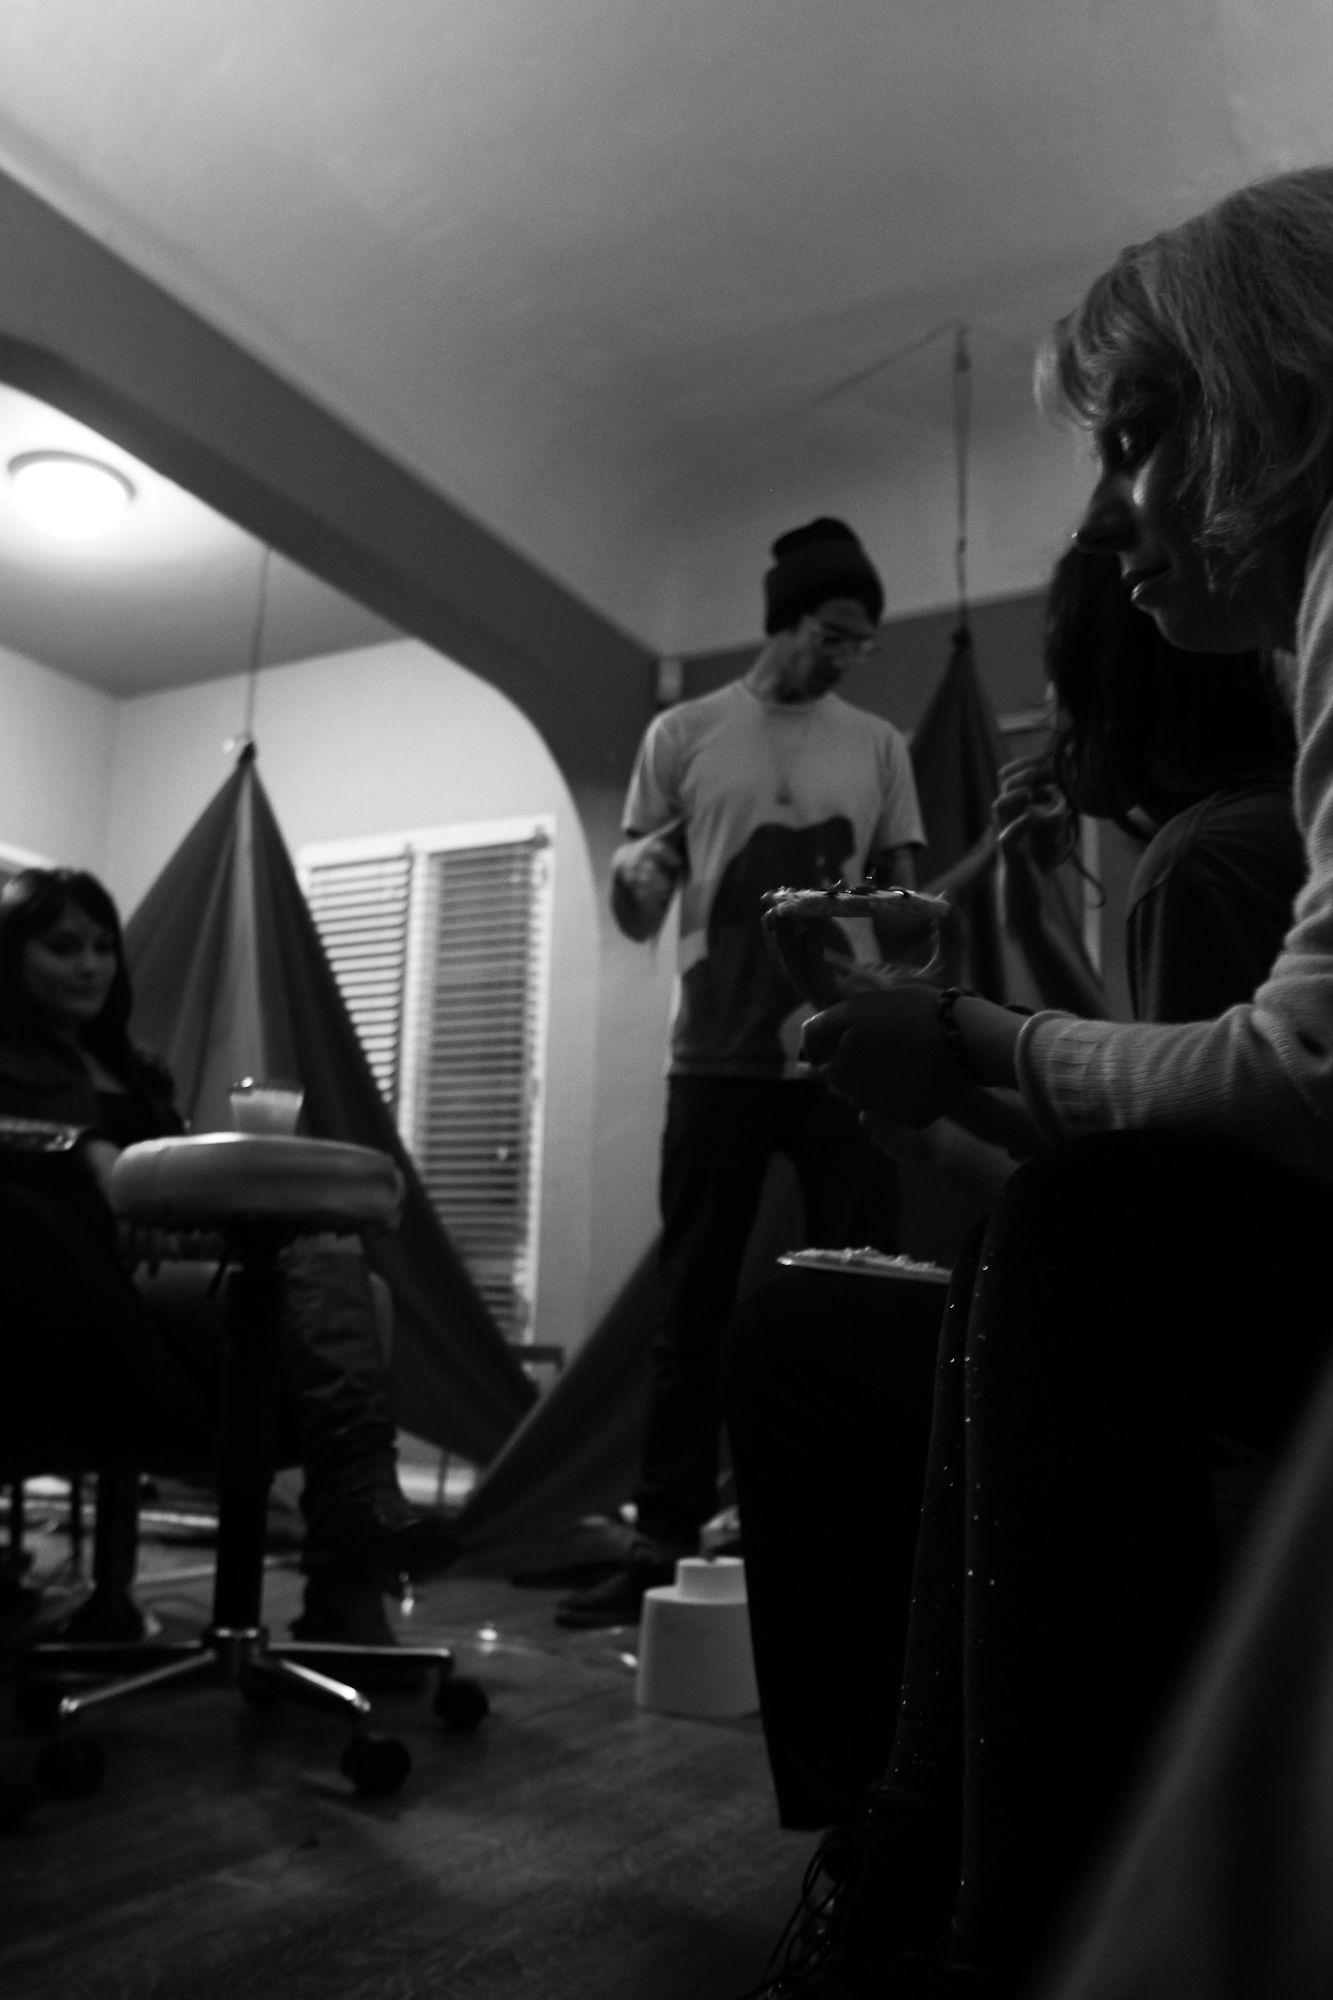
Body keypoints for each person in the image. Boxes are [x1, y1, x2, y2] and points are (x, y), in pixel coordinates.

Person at [742, 158, 1333, 1982]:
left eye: (1141, 437)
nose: (1119, 516)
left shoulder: (1205, 849)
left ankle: (931, 1873)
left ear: (1289, 394)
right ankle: (912, 1855)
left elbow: (1273, 1102)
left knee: (1013, 1260)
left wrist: (970, 1054)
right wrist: (971, 1082)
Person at [724, 544, 1302, 1853]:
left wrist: (957, 1075)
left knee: (791, 1340)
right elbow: (1145, 1185)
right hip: (1206, 1330)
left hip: (1224, 1386)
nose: (1044, 725)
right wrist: (943, 1122)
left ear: (1123, 689)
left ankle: (894, 1841)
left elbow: (1174, 1243)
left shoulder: (1206, 860)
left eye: (1067, 688)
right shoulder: (1242, 835)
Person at [557, 518, 925, 1630]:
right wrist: (637, 867)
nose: (845, 656)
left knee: (870, 1293)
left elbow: (907, 917)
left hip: (838, 1055)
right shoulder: (683, 732)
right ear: (785, 619)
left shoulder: (877, 745)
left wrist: (894, 917)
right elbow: (635, 908)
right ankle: (661, 1542)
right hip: (712, 1054)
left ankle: (869, 1536)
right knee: (692, 1307)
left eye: (861, 641)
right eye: (831, 632)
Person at [0, 866, 459, 1653]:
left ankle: (346, 1576)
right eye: (63, 946)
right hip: (61, 1286)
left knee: (331, 1255)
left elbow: (173, 1182)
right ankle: (356, 1534)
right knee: (325, 1285)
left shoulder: (137, 1067)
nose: (91, 965)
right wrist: (83, 1149)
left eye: (104, 947)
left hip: (165, 1266)